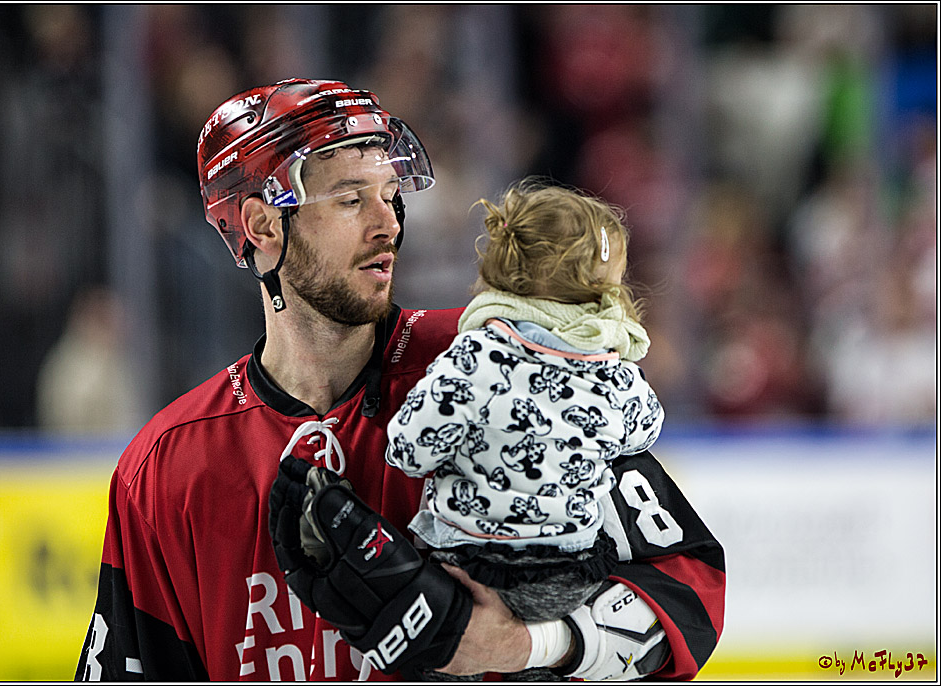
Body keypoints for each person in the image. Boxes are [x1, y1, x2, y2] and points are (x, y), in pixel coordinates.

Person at [75, 79, 724, 682]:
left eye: (389, 195)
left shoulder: (498, 365)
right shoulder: (166, 468)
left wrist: (525, 645)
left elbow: (687, 591)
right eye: (350, 199)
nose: (387, 223)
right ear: (263, 226)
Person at [383, 181, 663, 680]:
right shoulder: (615, 373)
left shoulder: (478, 356)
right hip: (570, 577)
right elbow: (643, 432)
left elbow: (408, 449)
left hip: (467, 565)